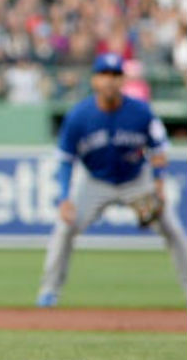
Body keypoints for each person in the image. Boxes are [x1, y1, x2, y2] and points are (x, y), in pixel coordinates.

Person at [36, 53, 187, 307]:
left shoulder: (141, 112)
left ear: (122, 80)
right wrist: (64, 197)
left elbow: (159, 148)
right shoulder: (79, 116)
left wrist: (159, 183)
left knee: (174, 230)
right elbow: (65, 159)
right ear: (95, 80)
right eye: (104, 74)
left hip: (136, 180)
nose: (110, 81)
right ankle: (49, 292)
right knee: (65, 228)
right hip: (95, 183)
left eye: (115, 75)